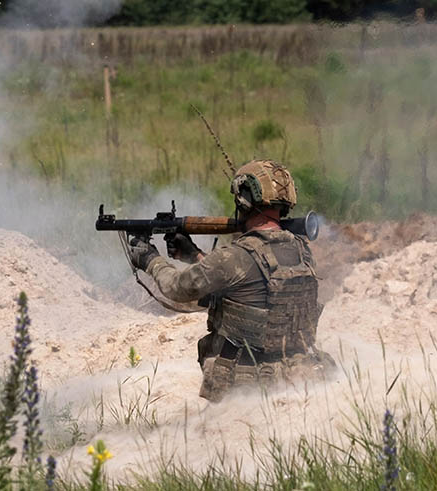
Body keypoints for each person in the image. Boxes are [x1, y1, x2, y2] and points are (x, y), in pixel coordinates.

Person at [128, 160, 333, 401]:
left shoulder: (232, 257)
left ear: (243, 199)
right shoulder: (302, 251)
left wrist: (150, 259)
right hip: (298, 377)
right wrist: (194, 255)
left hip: (246, 388)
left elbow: (177, 288)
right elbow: (250, 286)